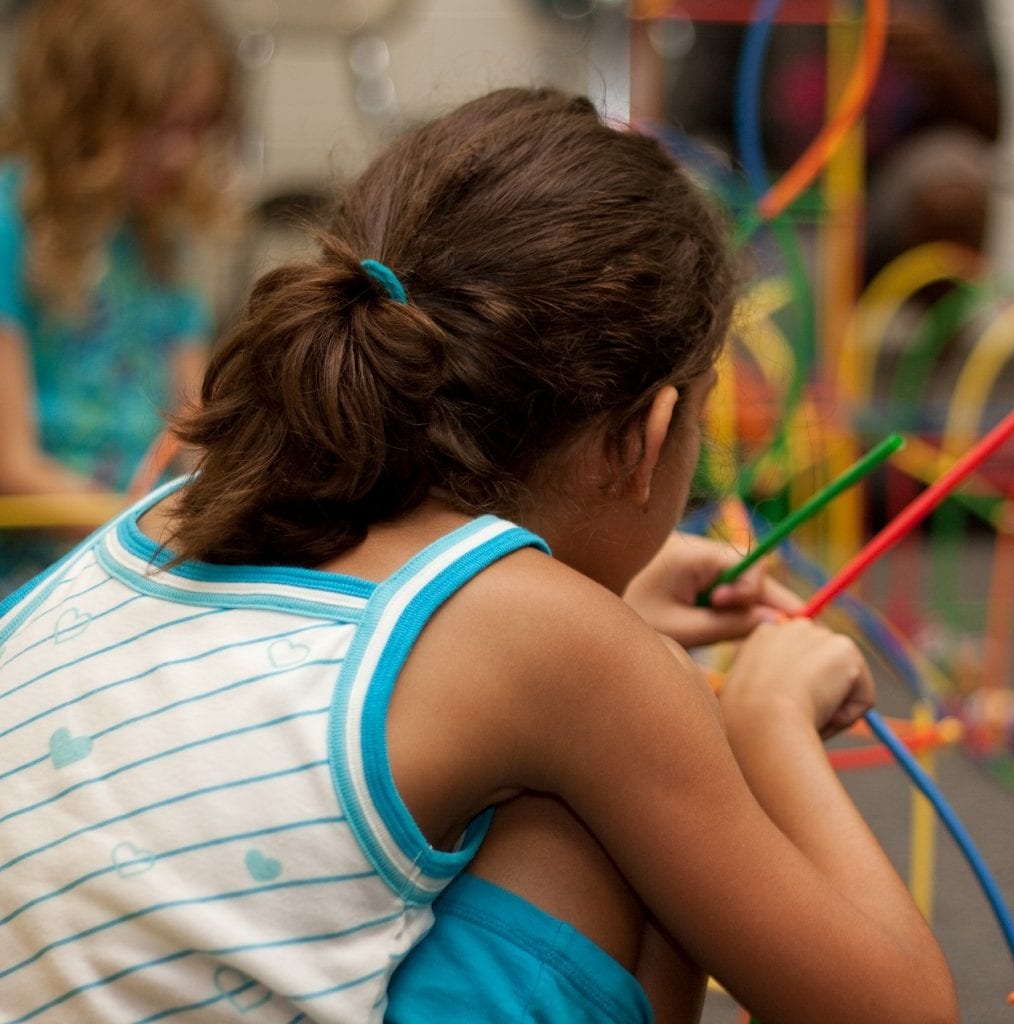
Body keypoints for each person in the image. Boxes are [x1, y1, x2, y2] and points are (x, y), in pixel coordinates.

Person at [0, 87, 958, 1023]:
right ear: (649, 434)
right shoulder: (566, 653)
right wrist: (765, 720)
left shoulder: (188, 501)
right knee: (603, 816)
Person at [0, 0, 240, 589]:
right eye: (162, 127)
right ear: (88, 112)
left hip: (140, 546)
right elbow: (11, 465)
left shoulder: (167, 241)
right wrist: (152, 539)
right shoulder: (12, 223)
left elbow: (193, 431)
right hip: (40, 571)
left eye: (197, 127)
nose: (182, 153)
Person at [667, 0, 1004, 283]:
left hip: (888, 202)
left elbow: (993, 125)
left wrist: (941, 62)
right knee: (686, 176)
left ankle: (929, 351)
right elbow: (687, 122)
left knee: (953, 186)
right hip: (772, 201)